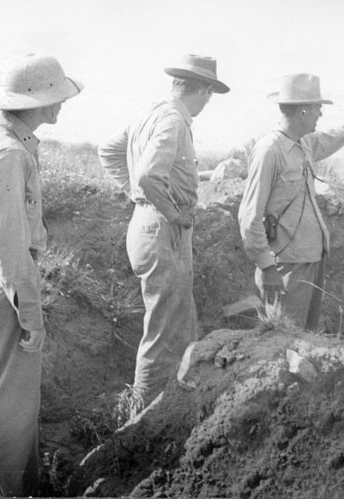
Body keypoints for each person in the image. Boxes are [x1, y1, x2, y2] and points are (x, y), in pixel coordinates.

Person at [0, 54, 82, 497]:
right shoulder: (10, 153)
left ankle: (17, 487)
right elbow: (8, 242)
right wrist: (30, 312)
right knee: (5, 403)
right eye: (53, 97)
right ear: (28, 104)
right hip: (3, 282)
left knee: (8, 396)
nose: (61, 104)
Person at [98, 54, 229, 416]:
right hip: (163, 228)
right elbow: (147, 177)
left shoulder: (151, 112)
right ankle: (144, 417)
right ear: (202, 90)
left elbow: (108, 152)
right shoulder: (173, 119)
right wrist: (170, 211)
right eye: (209, 94)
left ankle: (173, 407)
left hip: (150, 222)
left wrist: (138, 198)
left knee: (177, 320)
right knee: (162, 332)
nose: (207, 102)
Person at [238, 73, 344, 330]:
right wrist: (267, 267)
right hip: (286, 266)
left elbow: (339, 135)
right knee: (285, 341)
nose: (321, 114)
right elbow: (249, 216)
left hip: (309, 259)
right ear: (304, 112)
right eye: (318, 108)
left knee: (303, 338)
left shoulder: (303, 143)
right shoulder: (270, 150)